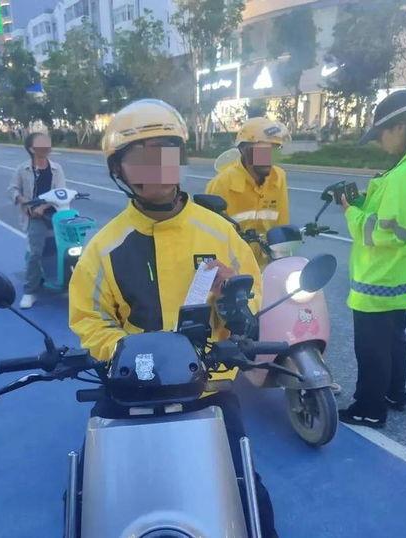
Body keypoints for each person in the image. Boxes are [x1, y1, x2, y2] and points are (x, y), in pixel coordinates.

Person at [69, 99, 277, 537]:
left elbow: (252, 295)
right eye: (139, 156)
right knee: (84, 496)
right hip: (130, 388)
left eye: (165, 152)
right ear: (119, 169)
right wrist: (125, 353)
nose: (155, 166)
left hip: (207, 385)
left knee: (248, 493)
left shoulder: (219, 232)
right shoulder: (104, 247)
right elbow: (88, 319)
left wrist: (235, 301)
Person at [339, 89, 406, 428]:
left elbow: (387, 233)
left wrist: (350, 212)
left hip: (380, 278)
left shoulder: (405, 174)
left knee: (373, 347)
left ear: (399, 127)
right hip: (403, 276)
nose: (379, 143)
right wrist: (366, 201)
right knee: (395, 339)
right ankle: (393, 394)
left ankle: (369, 409)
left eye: (380, 135)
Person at [205, 117, 291, 267]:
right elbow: (208, 235)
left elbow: (281, 223)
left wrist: (283, 258)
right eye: (262, 151)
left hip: (266, 265)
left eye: (273, 150)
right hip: (232, 267)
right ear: (243, 150)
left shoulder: (278, 177)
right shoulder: (221, 184)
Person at [8, 133, 66, 309]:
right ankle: (30, 291)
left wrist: (44, 206)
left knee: (66, 249)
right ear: (32, 149)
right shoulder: (23, 169)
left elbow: (61, 191)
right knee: (35, 252)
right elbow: (12, 189)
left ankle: (67, 281)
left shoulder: (56, 169)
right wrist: (24, 201)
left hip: (55, 214)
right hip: (34, 216)